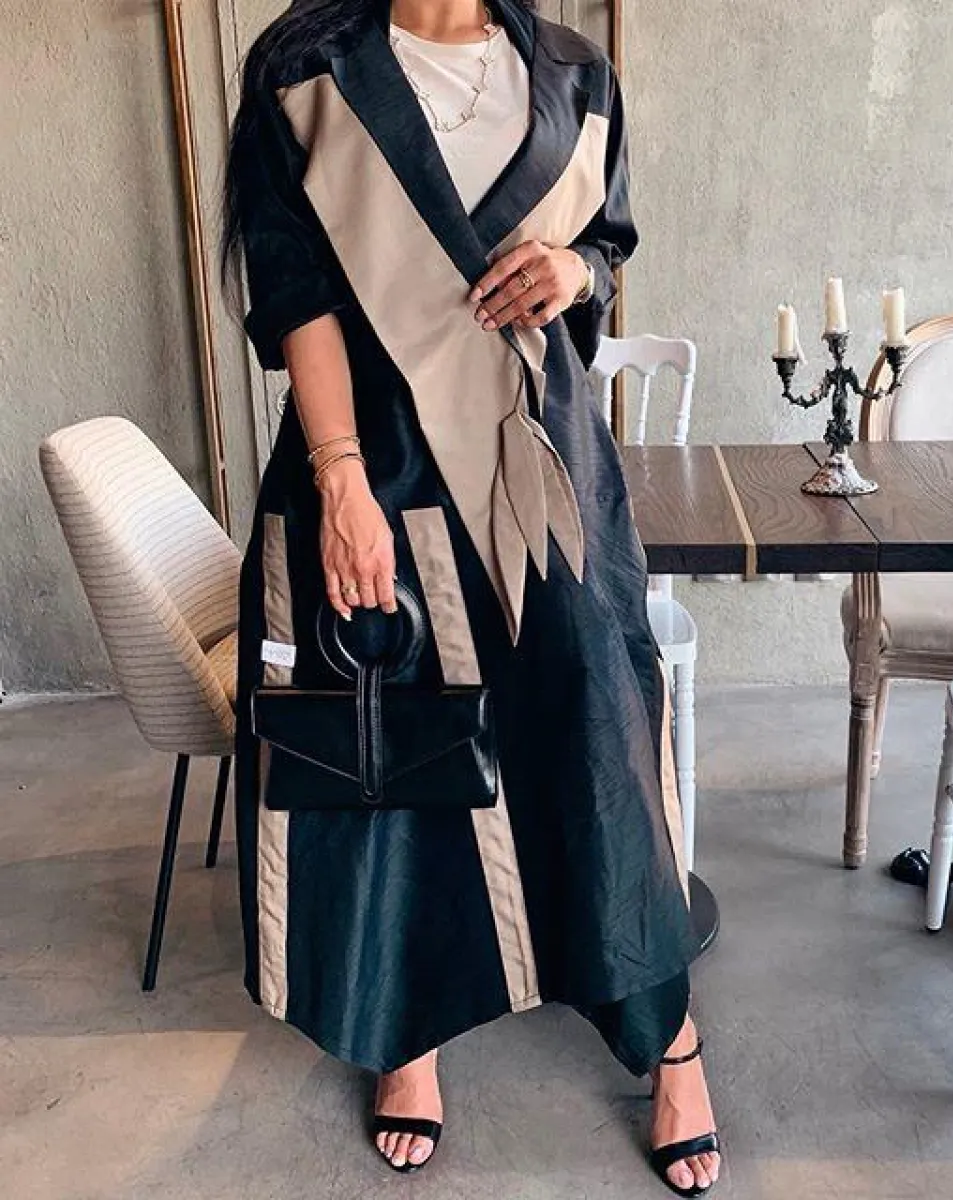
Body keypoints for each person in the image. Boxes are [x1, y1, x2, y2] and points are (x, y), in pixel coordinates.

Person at [223, 0, 721, 1193]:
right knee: (403, 765)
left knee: (601, 738)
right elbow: (295, 291)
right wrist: (341, 481)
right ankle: (409, 1030)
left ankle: (671, 1041)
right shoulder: (305, 67)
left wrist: (576, 268)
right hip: (378, 468)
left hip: (546, 470)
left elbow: (609, 243)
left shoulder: (577, 74)